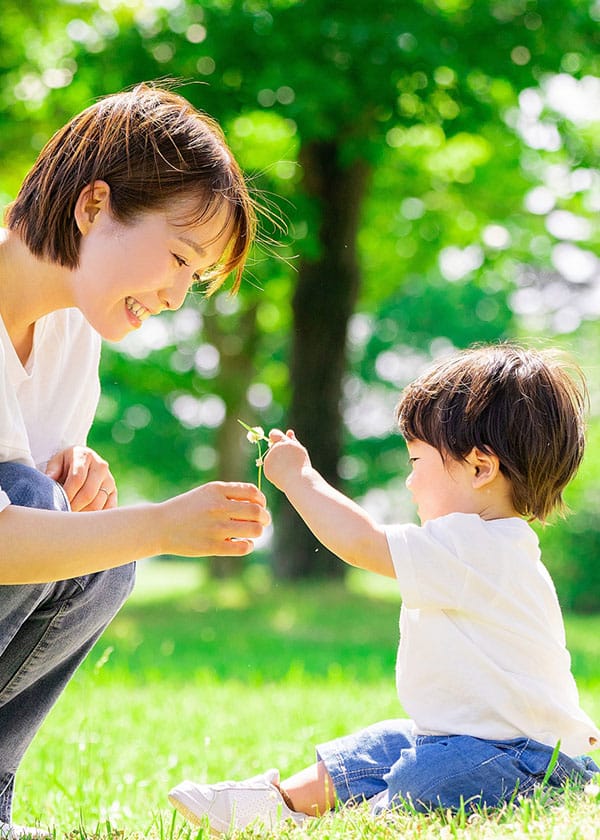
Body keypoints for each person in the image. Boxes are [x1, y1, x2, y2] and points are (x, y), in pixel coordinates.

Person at [168, 343, 600, 834]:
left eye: (417, 461)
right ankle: (277, 801)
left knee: (426, 775)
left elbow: (361, 542)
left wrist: (300, 480)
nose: (410, 482)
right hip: (473, 742)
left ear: (481, 468)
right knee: (386, 744)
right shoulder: (481, 545)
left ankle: (375, 811)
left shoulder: (478, 547)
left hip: (534, 764)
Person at [0, 82, 271, 837]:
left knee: (99, 547)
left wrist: (79, 481)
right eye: (180, 257)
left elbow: (39, 500)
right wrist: (157, 524)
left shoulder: (68, 330)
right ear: (94, 206)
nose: (180, 295)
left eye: (196, 276)